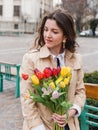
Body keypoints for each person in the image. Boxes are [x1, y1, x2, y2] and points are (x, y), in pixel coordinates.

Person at [20, 8, 86, 130]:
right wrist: (39, 127)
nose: (47, 35)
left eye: (54, 32)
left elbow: (80, 91)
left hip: (69, 125)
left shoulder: (76, 59)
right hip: (40, 126)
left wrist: (71, 112)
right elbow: (26, 98)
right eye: (45, 30)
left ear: (65, 36)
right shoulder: (31, 59)